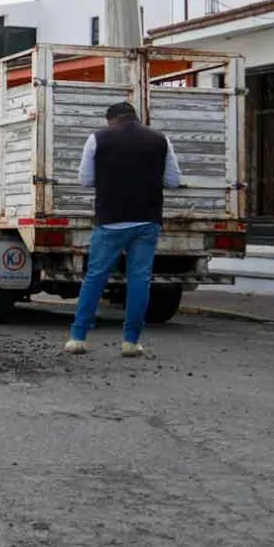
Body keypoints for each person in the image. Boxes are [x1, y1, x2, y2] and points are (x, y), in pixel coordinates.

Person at [64, 102, 182, 358]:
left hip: (111, 220)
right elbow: (173, 180)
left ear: (110, 119)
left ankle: (78, 338)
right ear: (135, 117)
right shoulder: (160, 139)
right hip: (146, 221)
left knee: (96, 277)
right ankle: (131, 341)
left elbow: (85, 180)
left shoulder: (97, 138)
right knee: (140, 279)